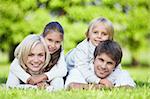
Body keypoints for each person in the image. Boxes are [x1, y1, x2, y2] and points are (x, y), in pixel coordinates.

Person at [9, 22, 67, 91]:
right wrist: (28, 79)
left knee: (58, 79)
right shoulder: (33, 44)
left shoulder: (58, 53)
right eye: (50, 40)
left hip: (44, 77)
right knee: (11, 85)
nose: (53, 45)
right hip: (27, 75)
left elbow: (63, 70)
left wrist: (44, 77)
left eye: (57, 42)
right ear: (42, 37)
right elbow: (14, 66)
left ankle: (45, 87)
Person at [65, 17, 120, 84]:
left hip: (88, 70)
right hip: (69, 68)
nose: (99, 36)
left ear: (110, 37)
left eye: (104, 34)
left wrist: (109, 80)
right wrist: (98, 81)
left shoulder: (110, 49)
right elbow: (82, 69)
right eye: (95, 32)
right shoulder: (82, 48)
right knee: (76, 75)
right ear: (88, 34)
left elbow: (117, 68)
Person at [65, 40, 136, 89]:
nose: (103, 66)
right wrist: (104, 86)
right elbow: (72, 87)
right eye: (101, 60)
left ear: (116, 66)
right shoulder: (80, 71)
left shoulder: (121, 73)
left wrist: (87, 87)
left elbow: (129, 88)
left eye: (109, 63)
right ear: (94, 59)